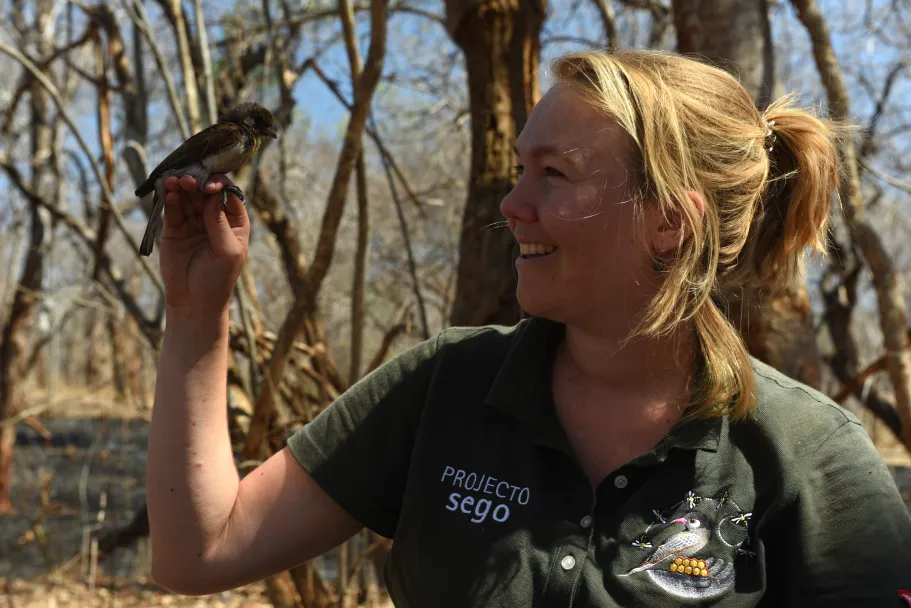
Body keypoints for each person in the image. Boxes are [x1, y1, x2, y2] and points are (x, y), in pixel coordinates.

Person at [144, 49, 911, 607]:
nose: (511, 205)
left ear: (670, 222)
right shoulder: (443, 387)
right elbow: (197, 553)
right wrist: (196, 316)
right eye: (518, 171)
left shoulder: (810, 463)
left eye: (554, 174)